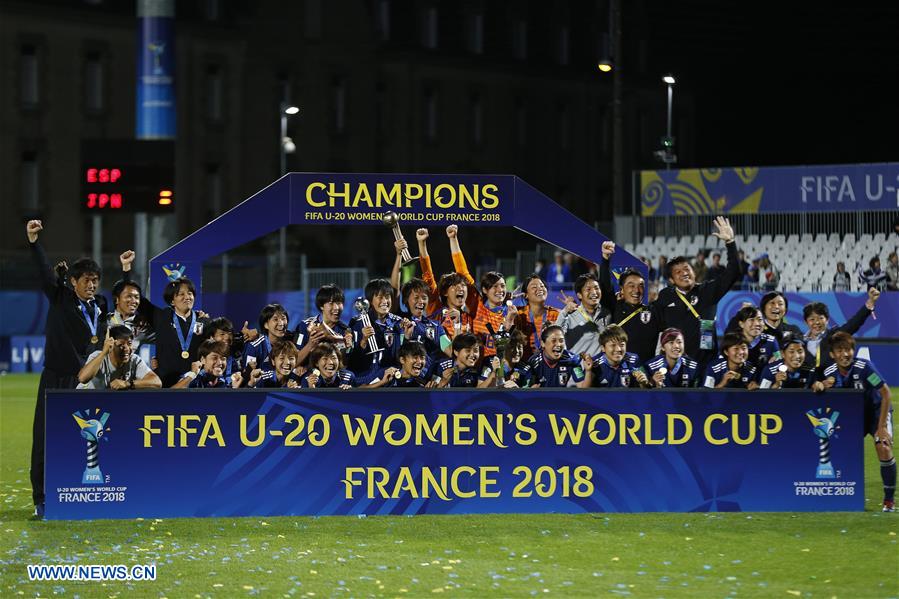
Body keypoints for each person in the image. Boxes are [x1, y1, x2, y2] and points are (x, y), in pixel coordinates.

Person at [25, 220, 125, 518]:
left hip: (89, 381)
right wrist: (34, 242)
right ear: (73, 281)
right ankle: (41, 497)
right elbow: (45, 274)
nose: (92, 284)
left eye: (95, 279)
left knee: (89, 437)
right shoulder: (60, 298)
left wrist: (125, 272)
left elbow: (124, 301)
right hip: (58, 378)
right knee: (44, 438)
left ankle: (79, 492)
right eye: (86, 279)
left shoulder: (100, 305)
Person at [817, 332, 895, 512]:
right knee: (836, 448)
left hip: (876, 412)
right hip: (854, 416)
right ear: (832, 354)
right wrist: (820, 386)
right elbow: (820, 392)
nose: (845, 354)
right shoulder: (830, 373)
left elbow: (885, 393)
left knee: (883, 446)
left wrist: (881, 427)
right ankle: (841, 495)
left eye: (849, 350)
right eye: (840, 350)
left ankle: (889, 501)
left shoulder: (865, 368)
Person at [655, 216, 740, 366]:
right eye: (678, 272)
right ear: (671, 280)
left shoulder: (707, 290)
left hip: (706, 365)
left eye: (687, 269)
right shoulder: (665, 296)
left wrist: (730, 243)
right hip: (677, 365)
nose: (684, 273)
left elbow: (733, 272)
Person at [444, 225, 516, 358]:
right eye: (495, 286)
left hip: (501, 368)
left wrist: (511, 321)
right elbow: (463, 272)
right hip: (477, 366)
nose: (500, 290)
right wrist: (453, 239)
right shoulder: (477, 305)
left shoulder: (511, 312)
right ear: (484, 290)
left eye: (503, 286)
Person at [131, 274, 212, 387]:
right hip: (166, 383)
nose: (187, 297)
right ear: (172, 301)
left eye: (190, 293)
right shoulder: (162, 317)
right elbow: (140, 301)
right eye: (181, 294)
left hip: (195, 383)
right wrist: (127, 269)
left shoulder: (203, 321)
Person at [599, 242, 661, 364]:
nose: (636, 290)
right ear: (621, 289)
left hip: (645, 375)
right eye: (631, 285)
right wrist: (605, 259)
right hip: (619, 373)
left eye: (641, 286)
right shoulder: (614, 307)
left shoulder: (653, 312)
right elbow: (605, 288)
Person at [802, 287, 880, 376]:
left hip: (832, 385)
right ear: (806, 322)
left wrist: (870, 303)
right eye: (812, 319)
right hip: (807, 387)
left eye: (821, 318)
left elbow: (853, 324)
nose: (817, 322)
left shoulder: (834, 336)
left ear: (827, 320)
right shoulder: (799, 341)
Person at [347, 278, 404, 383]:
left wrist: (407, 336)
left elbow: (402, 354)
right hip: (364, 378)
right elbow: (351, 360)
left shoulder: (398, 322)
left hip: (391, 377)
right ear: (369, 302)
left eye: (387, 297)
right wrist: (363, 341)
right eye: (380, 297)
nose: (385, 301)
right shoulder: (357, 323)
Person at [77, 325, 161, 390]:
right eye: (121, 345)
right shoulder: (98, 356)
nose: (127, 349)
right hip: (85, 401)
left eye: (129, 343)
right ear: (111, 344)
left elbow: (157, 382)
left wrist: (128, 384)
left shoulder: (134, 360)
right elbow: (82, 378)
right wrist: (104, 352)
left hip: (110, 403)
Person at [295, 284, 353, 365]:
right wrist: (310, 345)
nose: (336, 308)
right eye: (331, 303)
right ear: (321, 306)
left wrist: (345, 346)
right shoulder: (305, 326)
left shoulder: (346, 331)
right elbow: (294, 361)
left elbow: (345, 363)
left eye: (339, 303)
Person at [557, 273, 610, 358]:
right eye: (588, 289)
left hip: (603, 369)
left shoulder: (607, 313)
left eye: (596, 288)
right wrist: (565, 311)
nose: (594, 292)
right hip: (580, 369)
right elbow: (556, 335)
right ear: (579, 295)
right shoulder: (570, 315)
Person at [519, 325, 589, 388]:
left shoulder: (572, 360)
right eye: (554, 341)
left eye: (561, 341)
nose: (558, 344)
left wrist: (588, 371)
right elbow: (527, 389)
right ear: (543, 343)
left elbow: (583, 388)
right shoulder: (533, 363)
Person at [514, 274, 560, 359]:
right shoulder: (518, 315)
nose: (540, 289)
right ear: (526, 295)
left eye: (542, 286)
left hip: (549, 364)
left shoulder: (556, 314)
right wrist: (505, 303)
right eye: (534, 287)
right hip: (525, 366)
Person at [724, 306, 782, 372]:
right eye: (751, 320)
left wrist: (777, 361)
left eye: (760, 320)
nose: (757, 324)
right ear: (741, 324)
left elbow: (778, 359)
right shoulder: (732, 341)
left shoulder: (771, 341)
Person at [173, 339, 240, 389]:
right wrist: (192, 375)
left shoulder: (225, 383)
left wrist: (234, 389)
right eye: (214, 358)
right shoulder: (191, 377)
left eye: (223, 359)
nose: (220, 363)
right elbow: (170, 395)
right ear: (203, 360)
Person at [244, 303, 292, 371]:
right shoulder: (254, 347)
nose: (281, 323)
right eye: (275, 319)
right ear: (266, 325)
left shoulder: (291, 339)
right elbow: (247, 376)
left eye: (283, 318)